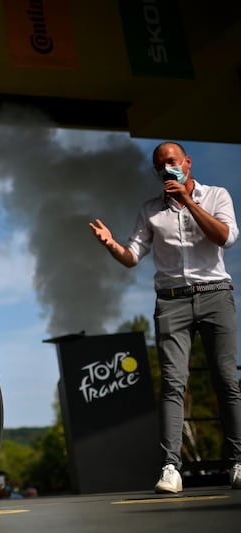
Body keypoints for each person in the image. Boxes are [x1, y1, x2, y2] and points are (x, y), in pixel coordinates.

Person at [89, 141, 241, 494]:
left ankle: (237, 461)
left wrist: (188, 202)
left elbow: (226, 237)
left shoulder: (216, 195)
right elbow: (132, 256)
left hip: (215, 294)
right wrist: (111, 243)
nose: (166, 169)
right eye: (160, 166)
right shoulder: (150, 210)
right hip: (171, 302)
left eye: (171, 161)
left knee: (225, 379)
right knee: (173, 383)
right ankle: (171, 467)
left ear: (186, 163)